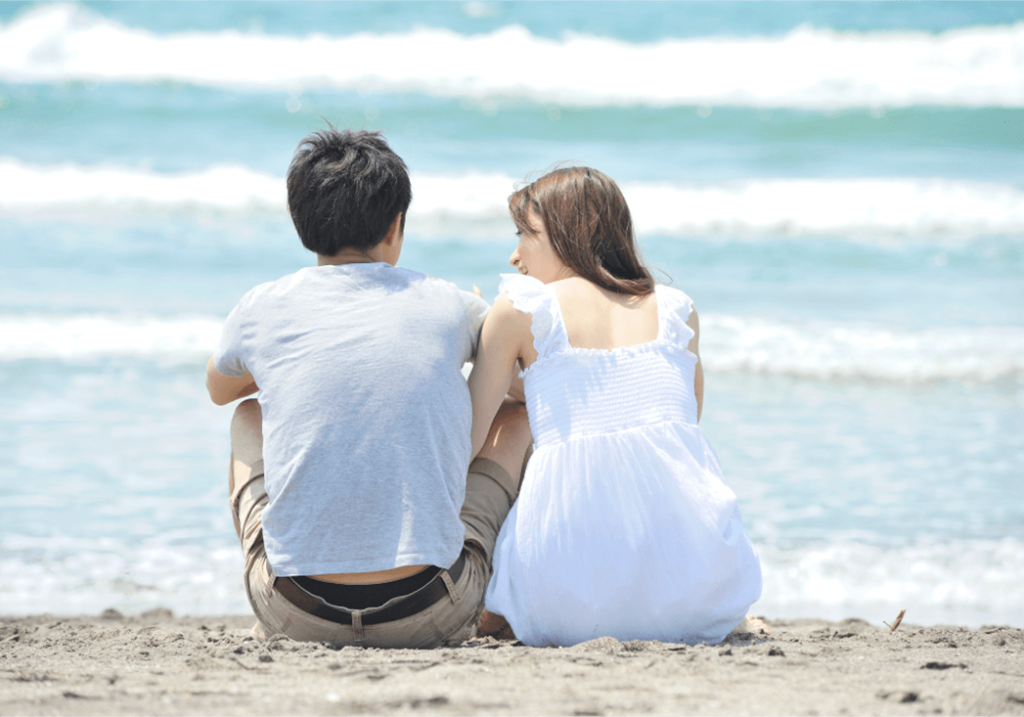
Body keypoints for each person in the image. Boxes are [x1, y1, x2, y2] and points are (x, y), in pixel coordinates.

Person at [205, 128, 532, 648]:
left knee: (248, 415)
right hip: (432, 608)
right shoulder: (448, 303)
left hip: (296, 611)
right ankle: (501, 606)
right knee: (516, 419)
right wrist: (482, 341)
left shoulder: (262, 306)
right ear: (395, 225)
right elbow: (523, 389)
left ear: (301, 223)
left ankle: (281, 593)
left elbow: (221, 389)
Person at [467, 167, 764, 647]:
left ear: (571, 234)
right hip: (700, 592)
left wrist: (482, 345)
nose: (514, 254)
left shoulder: (521, 307)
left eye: (525, 233)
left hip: (560, 601)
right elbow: (681, 433)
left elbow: (463, 440)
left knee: (507, 425)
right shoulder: (677, 309)